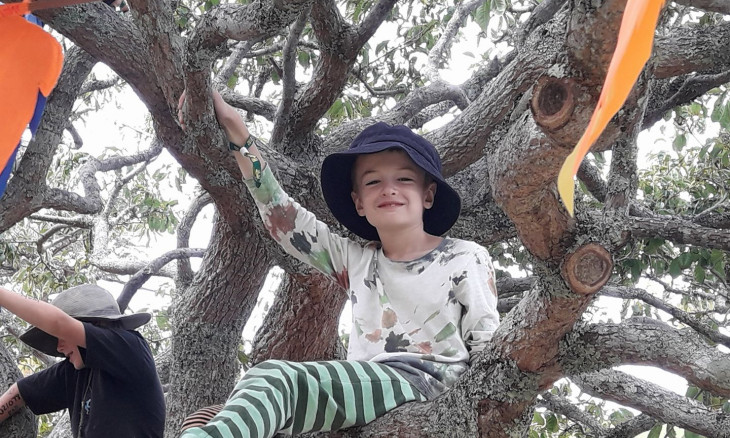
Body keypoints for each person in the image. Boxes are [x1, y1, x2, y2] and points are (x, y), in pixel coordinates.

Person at [178, 91, 500, 437]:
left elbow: (488, 343)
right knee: (254, 409)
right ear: (358, 202)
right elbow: (285, 220)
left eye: (404, 179)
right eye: (373, 181)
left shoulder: (465, 256)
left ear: (428, 195)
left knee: (272, 379)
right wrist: (239, 136)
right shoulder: (358, 260)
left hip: (433, 384)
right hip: (367, 396)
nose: (389, 189)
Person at [0, 284, 165, 437]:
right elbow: (21, 392)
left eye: (61, 336)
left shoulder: (131, 349)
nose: (58, 347)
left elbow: (58, 322)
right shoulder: (75, 371)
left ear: (94, 325)